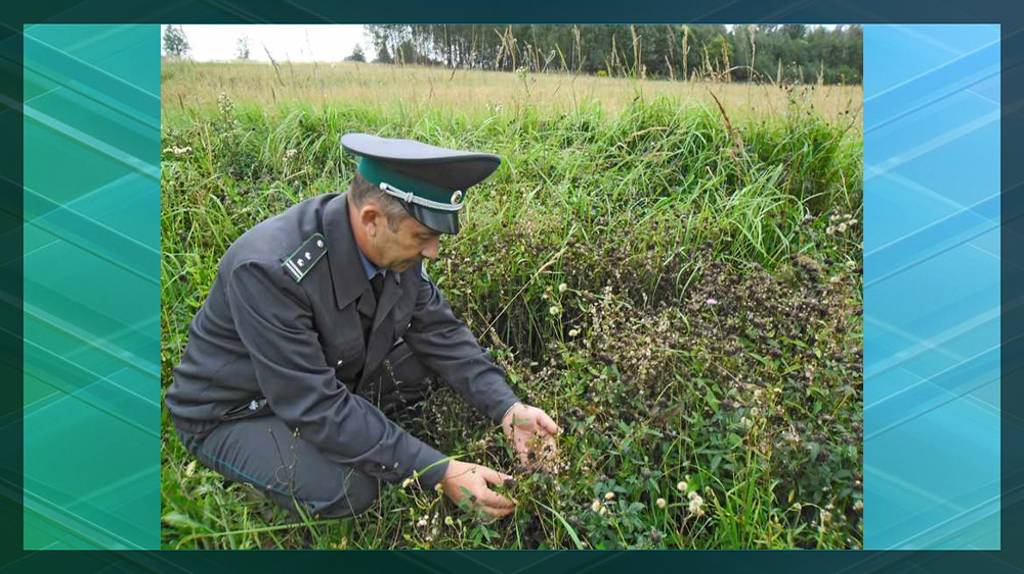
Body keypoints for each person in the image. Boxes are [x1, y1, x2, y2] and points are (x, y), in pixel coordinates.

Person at [166, 133, 561, 521]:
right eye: (423, 237)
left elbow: (441, 332)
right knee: (350, 488)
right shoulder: (269, 271)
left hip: (324, 374)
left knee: (429, 364)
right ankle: (264, 475)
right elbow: (315, 405)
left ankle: (365, 431)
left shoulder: (394, 248)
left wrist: (508, 408)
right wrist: (439, 471)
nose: (433, 252)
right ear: (372, 219)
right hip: (237, 410)